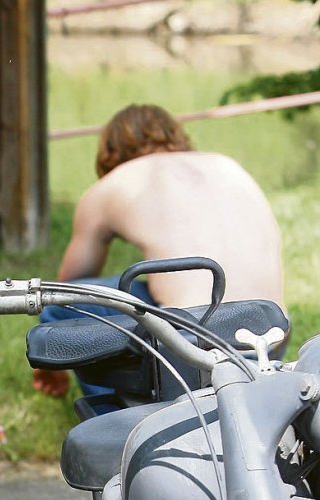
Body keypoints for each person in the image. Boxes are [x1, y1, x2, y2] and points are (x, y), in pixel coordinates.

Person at [32, 103, 285, 399]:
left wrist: (49, 362)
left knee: (60, 306)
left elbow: (65, 290)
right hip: (269, 334)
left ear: (110, 151)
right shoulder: (228, 165)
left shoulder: (113, 183)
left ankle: (119, 425)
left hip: (191, 343)